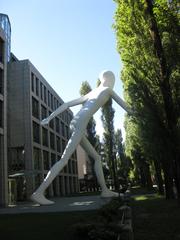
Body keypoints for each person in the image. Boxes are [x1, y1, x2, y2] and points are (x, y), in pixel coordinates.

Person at [31, 70, 131, 205]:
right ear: (110, 79)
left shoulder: (94, 92)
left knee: (96, 157)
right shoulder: (108, 90)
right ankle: (38, 192)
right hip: (80, 124)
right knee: (64, 160)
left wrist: (50, 117)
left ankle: (105, 190)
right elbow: (128, 108)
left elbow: (67, 104)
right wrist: (140, 113)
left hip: (76, 122)